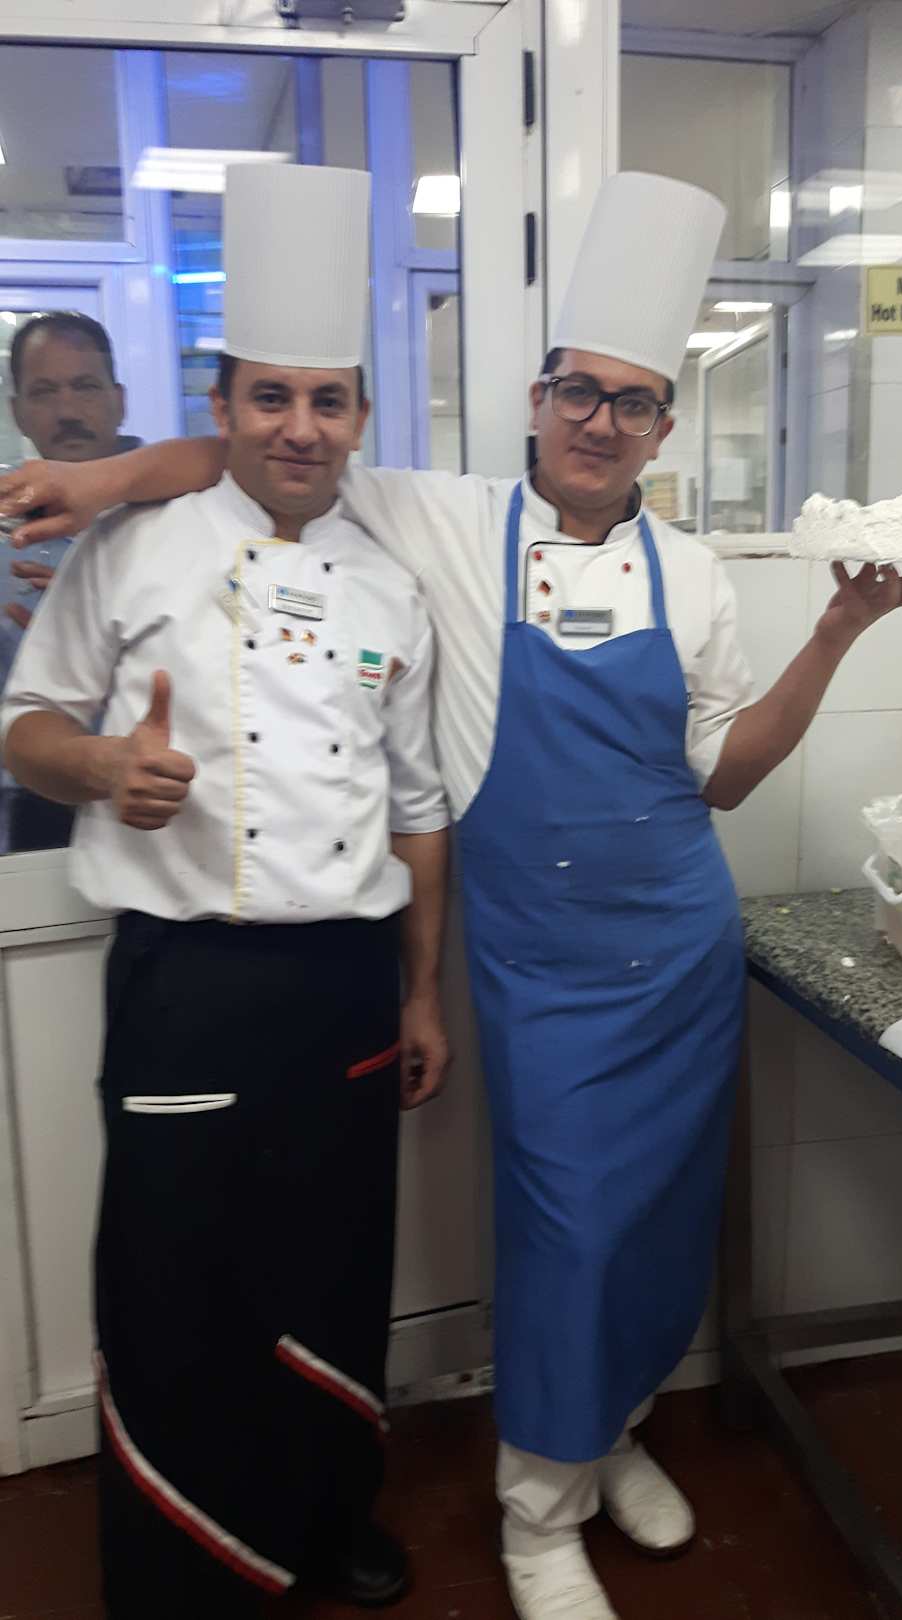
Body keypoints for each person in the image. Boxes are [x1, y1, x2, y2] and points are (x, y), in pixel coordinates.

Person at [4, 169, 902, 1620]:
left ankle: (610, 1436)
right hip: (540, 961)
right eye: (577, 392)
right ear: (536, 401)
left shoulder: (691, 573)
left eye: (632, 401)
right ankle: (535, 1511)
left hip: (678, 945)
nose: (599, 421)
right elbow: (255, 453)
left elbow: (723, 778)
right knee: (568, 1228)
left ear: (662, 426)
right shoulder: (436, 517)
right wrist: (107, 481)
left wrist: (840, 632)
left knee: (659, 1224)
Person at [1, 165, 450, 1620]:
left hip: (344, 982)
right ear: (222, 405)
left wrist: (421, 990)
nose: (298, 427)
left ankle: (327, 1517)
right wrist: (94, 770)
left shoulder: (391, 581)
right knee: (175, 1280)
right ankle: (175, 1571)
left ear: (360, 417)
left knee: (335, 1267)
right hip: (187, 982)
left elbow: (418, 809)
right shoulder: (135, 542)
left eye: (327, 400)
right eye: (269, 397)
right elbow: (24, 722)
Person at [0, 311, 141, 851]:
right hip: (29, 806)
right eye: (44, 392)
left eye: (85, 386)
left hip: (152, 789)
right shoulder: (5, 534)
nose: (67, 411)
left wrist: (88, 613)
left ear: (118, 400)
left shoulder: (177, 514)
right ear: (18, 412)